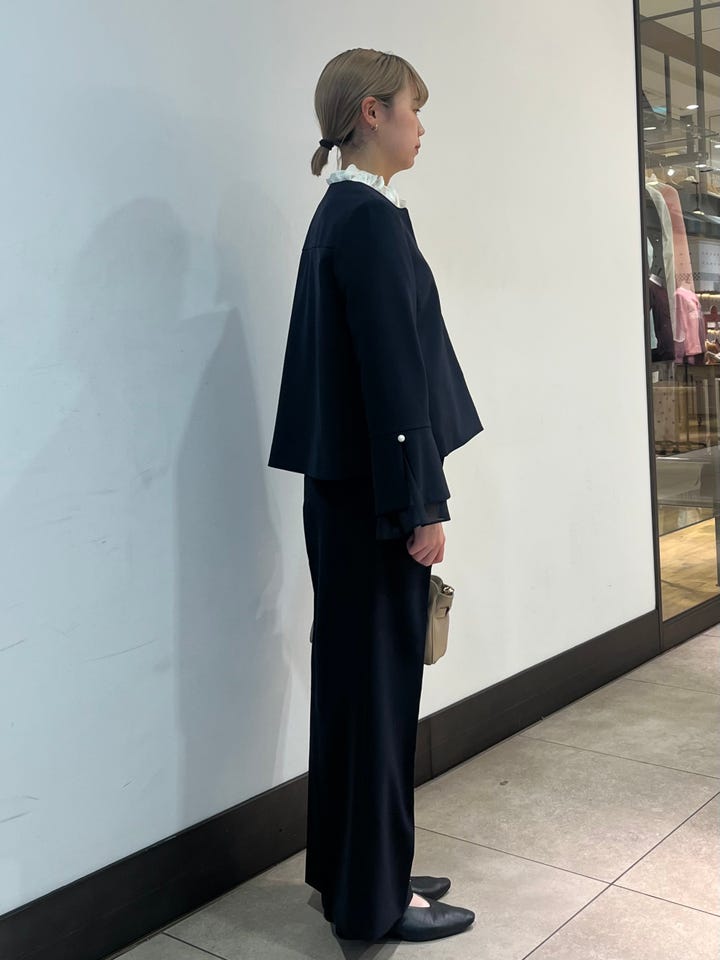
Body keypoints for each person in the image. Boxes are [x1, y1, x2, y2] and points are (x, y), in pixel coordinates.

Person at [268, 47, 483, 943]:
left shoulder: (343, 212)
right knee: (380, 694)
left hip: (345, 496)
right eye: (411, 108)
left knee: (353, 688)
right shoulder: (368, 221)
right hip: (377, 503)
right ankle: (375, 900)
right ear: (371, 113)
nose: (421, 126)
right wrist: (422, 504)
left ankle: (352, 871)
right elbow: (393, 377)